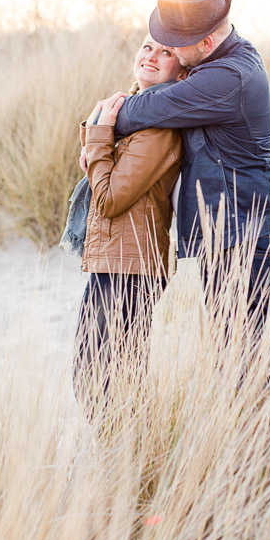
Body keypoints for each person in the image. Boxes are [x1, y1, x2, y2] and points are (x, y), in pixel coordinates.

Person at [104, 0, 270, 353]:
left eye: (175, 41)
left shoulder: (227, 77)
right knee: (236, 352)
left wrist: (100, 124)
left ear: (206, 43)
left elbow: (138, 112)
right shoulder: (218, 60)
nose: (167, 47)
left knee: (245, 357)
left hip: (246, 234)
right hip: (232, 230)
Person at [73, 37, 183, 411]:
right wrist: (101, 131)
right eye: (147, 46)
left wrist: (99, 137)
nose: (152, 56)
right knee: (97, 376)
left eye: (167, 52)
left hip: (131, 265)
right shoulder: (133, 116)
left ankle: (127, 459)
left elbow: (108, 200)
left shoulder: (160, 128)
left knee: (108, 382)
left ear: (182, 70)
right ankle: (122, 457)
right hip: (114, 260)